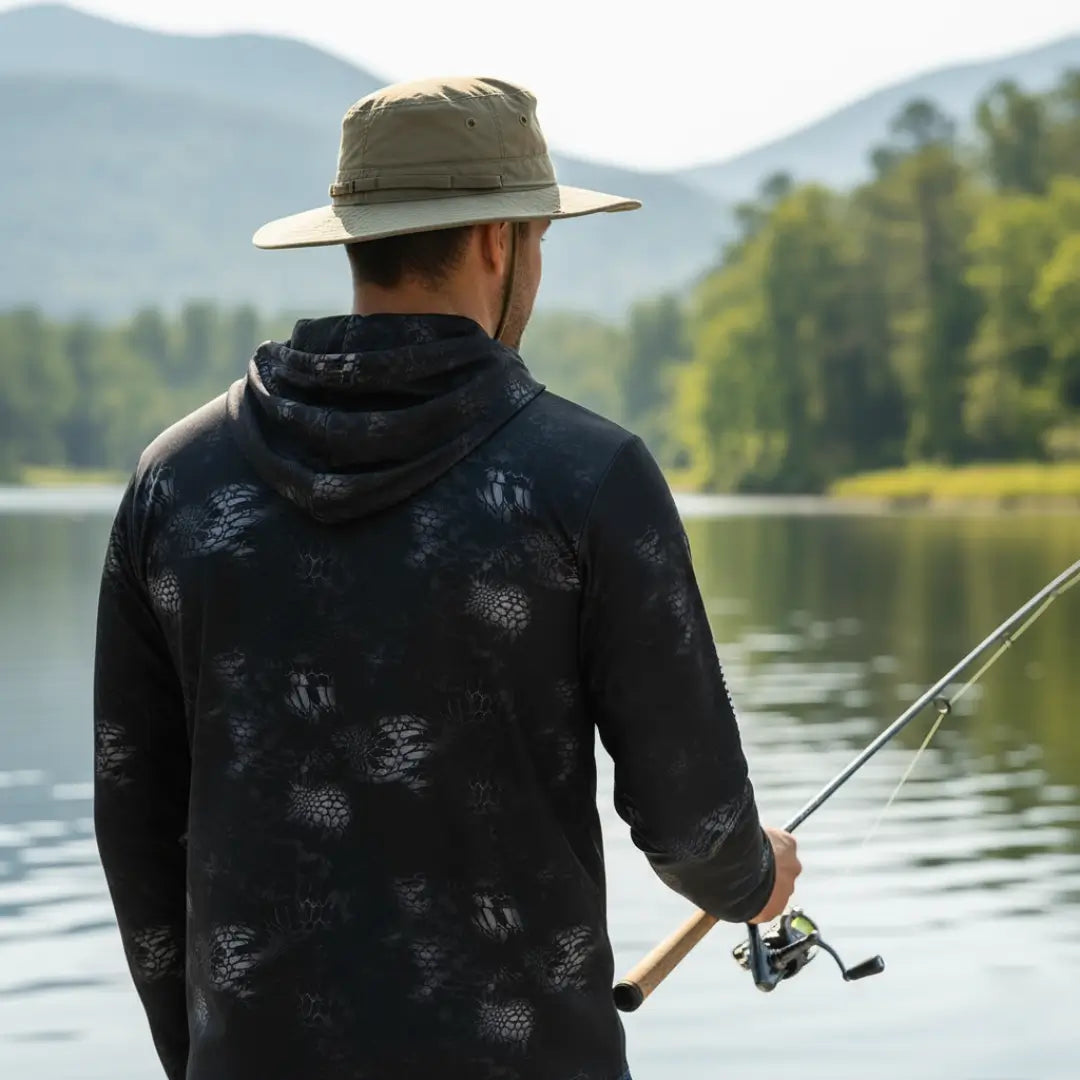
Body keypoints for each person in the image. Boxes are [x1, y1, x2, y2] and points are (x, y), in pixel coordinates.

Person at [93, 76, 800, 1080]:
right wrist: (756, 878)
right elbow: (695, 825)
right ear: (496, 241)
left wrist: (204, 1052)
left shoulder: (177, 481)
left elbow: (134, 820)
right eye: (541, 241)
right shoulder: (587, 475)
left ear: (353, 240)